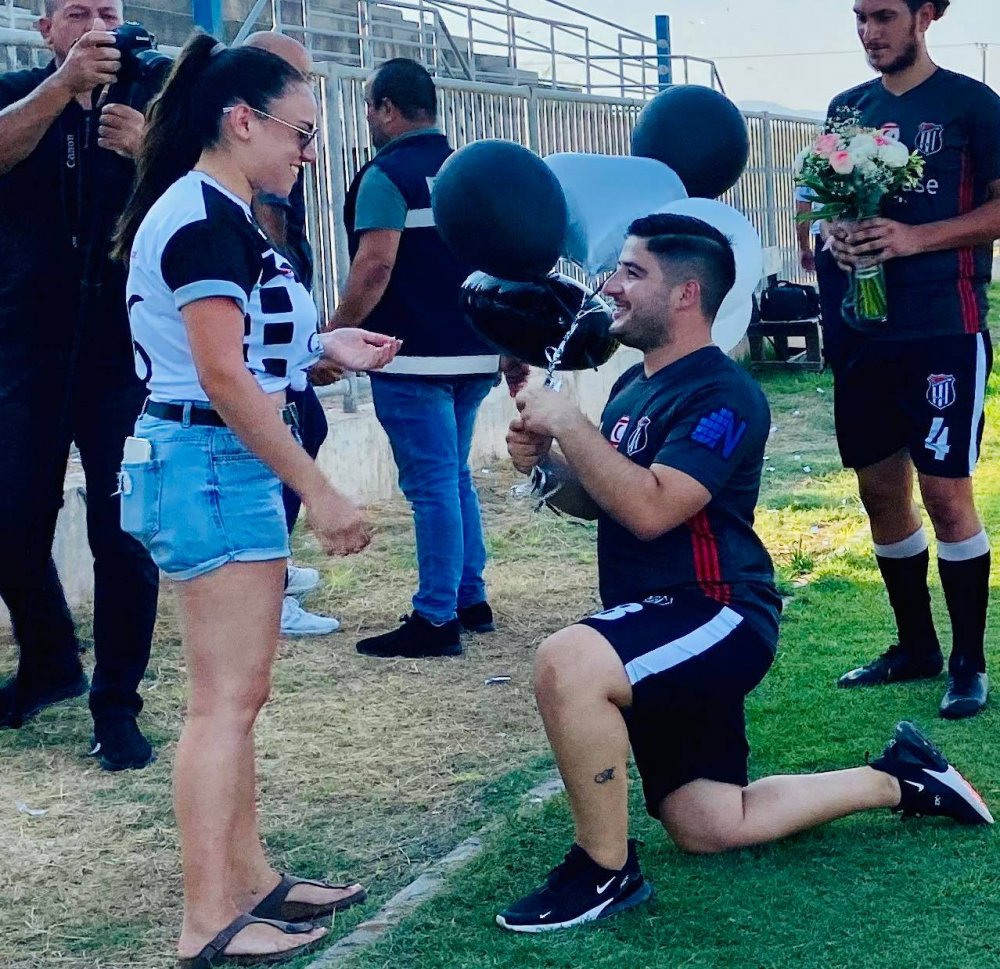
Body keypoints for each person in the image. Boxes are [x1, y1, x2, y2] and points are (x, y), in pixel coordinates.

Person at [498, 213, 992, 934]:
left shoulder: (725, 393)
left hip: (717, 612)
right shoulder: (633, 384)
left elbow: (652, 509)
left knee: (567, 660)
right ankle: (898, 777)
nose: (610, 288)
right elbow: (606, 497)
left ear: (686, 294)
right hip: (657, 623)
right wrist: (546, 466)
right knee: (710, 823)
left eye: (632, 273)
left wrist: (571, 425)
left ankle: (604, 872)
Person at [112, 34, 400, 965]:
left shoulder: (217, 210)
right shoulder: (204, 218)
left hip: (213, 458)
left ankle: (249, 880)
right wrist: (319, 488)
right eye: (299, 133)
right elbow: (221, 376)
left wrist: (324, 348)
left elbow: (241, 355)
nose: (306, 152)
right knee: (222, 702)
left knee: (238, 694)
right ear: (242, 121)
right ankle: (208, 916)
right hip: (207, 458)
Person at [826, 0, 1000, 719]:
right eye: (860, 17)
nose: (869, 32)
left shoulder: (972, 104)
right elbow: (823, 202)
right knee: (879, 491)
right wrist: (835, 235)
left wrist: (912, 239)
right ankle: (916, 647)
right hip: (862, 330)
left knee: (946, 493)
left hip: (943, 328)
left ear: (926, 15)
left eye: (884, 16)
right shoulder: (847, 109)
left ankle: (968, 662)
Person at [0, 0, 162, 769]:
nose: (97, 25)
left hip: (123, 348)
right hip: (25, 341)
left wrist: (148, 150)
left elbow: (217, 190)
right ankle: (49, 658)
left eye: (109, 10)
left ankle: (117, 703)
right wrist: (62, 87)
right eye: (77, 12)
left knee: (121, 531)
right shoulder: (20, 90)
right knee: (10, 515)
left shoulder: (157, 93)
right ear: (47, 31)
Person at [333, 57, 527, 660]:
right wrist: (507, 345)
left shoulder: (385, 175)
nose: (369, 119)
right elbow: (503, 255)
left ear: (389, 109)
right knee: (454, 476)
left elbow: (375, 267)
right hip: (473, 350)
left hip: (409, 357)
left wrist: (334, 334)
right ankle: (470, 598)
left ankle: (436, 616)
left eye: (370, 108)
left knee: (432, 485)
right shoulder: (467, 169)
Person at [244, 30, 342, 638]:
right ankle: (267, 584)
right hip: (257, 360)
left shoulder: (280, 158)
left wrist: (317, 343)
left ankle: (273, 570)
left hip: (282, 347)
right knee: (280, 448)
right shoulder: (228, 189)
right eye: (291, 76)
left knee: (309, 429)